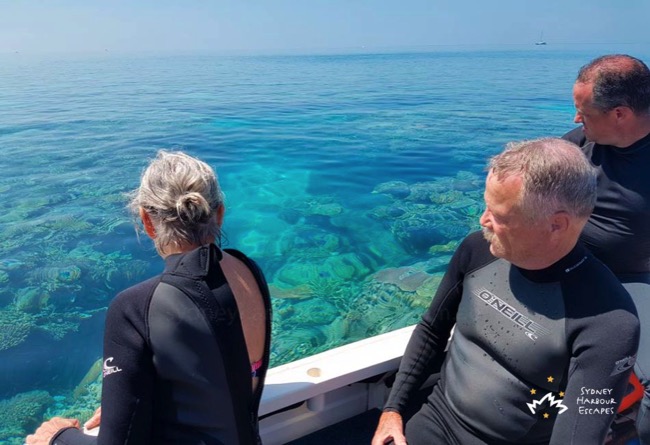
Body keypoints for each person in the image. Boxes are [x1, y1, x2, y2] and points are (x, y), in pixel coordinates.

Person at [371, 138, 640, 445]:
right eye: (486, 206)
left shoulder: (609, 323)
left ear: (556, 225)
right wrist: (392, 411)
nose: (483, 220)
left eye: (500, 216)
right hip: (434, 419)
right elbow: (433, 329)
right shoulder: (477, 250)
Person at [27, 151, 272, 445]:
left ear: (147, 220)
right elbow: (221, 370)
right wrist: (130, 400)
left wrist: (58, 437)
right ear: (219, 214)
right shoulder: (248, 271)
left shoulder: (134, 308)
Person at [563, 54, 650, 443]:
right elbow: (527, 169)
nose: (576, 119)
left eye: (583, 111)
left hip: (635, 280)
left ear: (620, 114)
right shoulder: (581, 143)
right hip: (573, 268)